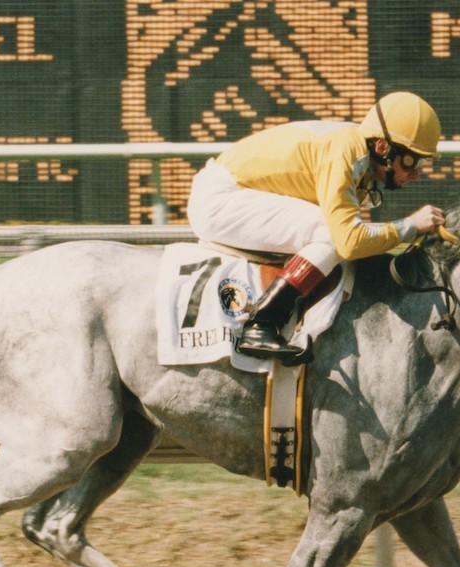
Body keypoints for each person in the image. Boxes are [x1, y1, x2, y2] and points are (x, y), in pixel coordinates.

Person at [186, 91, 446, 363]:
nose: (416, 173)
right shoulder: (348, 152)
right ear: (382, 147)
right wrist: (410, 226)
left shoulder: (356, 150)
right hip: (220, 199)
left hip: (233, 192)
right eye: (411, 161)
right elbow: (349, 241)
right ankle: (262, 323)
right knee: (331, 234)